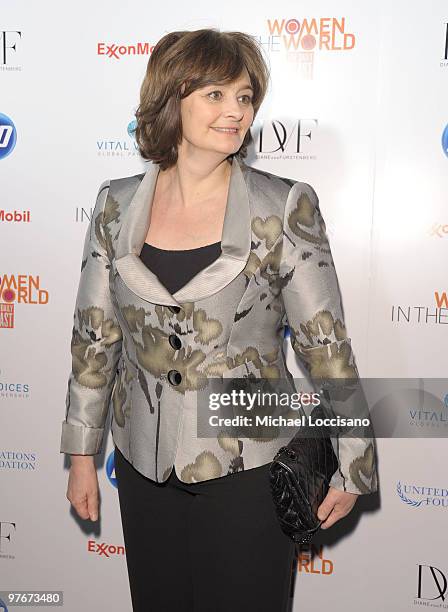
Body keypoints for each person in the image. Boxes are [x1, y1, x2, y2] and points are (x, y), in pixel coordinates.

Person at [61, 28, 378, 612]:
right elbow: (94, 341)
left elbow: (325, 344)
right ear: (170, 99)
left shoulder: (281, 204)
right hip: (140, 464)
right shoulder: (114, 204)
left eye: (245, 96)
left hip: (250, 465)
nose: (236, 111)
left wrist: (354, 458)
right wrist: (83, 456)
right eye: (215, 95)